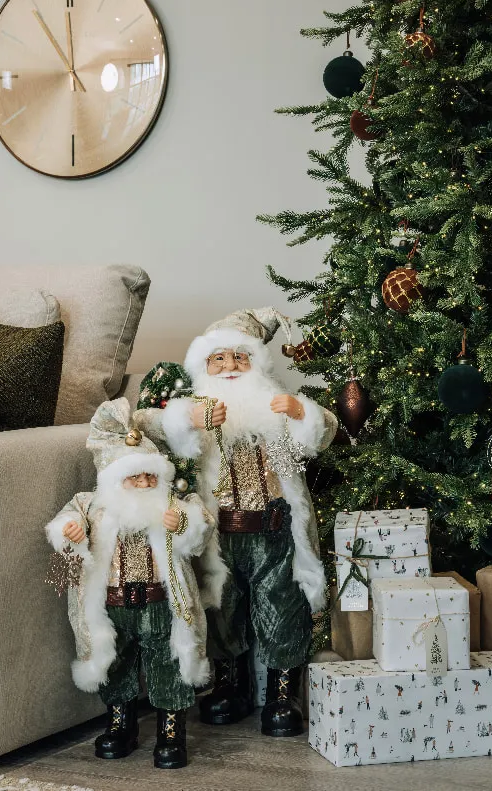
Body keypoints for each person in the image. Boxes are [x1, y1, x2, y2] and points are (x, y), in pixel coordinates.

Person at [138, 308, 337, 736]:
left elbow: (326, 431)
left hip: (272, 528)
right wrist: (185, 418)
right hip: (220, 534)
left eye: (239, 358)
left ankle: (283, 694)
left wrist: (303, 413)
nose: (230, 367)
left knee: (281, 604)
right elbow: (141, 424)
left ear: (255, 364)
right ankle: (232, 685)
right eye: (219, 360)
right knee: (223, 606)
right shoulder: (198, 408)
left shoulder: (274, 406)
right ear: (204, 367)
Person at [46, 398, 221, 769]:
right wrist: (71, 533)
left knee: (169, 664)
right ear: (114, 479)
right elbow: (64, 524)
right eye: (134, 477)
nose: (143, 483)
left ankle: (171, 731)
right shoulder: (92, 506)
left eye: (150, 476)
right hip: (114, 605)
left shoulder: (170, 504)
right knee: (116, 665)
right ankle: (120, 723)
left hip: (161, 605)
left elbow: (201, 522)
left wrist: (185, 524)